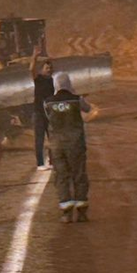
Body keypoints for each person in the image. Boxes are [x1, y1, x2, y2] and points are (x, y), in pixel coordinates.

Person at [44, 71, 92, 223]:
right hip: (76, 143)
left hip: (57, 145)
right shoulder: (77, 100)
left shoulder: (47, 102)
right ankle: (82, 212)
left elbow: (48, 118)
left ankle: (66, 212)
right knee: (79, 175)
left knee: (61, 177)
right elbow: (88, 109)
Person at [31, 50, 55, 169]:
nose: (49, 70)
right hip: (39, 113)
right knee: (39, 139)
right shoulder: (38, 79)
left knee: (52, 137)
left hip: (50, 114)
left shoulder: (52, 81)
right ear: (42, 70)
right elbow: (31, 70)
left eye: (50, 68)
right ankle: (40, 163)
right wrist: (34, 57)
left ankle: (52, 161)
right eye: (47, 68)